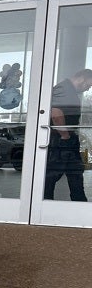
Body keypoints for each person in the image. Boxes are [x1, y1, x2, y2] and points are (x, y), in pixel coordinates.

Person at [44, 68, 92, 201]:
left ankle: (79, 203)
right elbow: (56, 113)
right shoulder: (62, 89)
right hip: (61, 139)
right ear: (82, 78)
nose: (88, 88)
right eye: (89, 84)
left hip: (67, 138)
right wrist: (65, 135)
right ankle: (45, 203)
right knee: (52, 174)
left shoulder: (68, 90)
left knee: (75, 172)